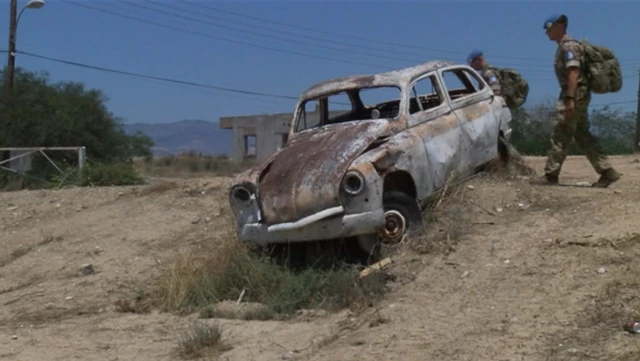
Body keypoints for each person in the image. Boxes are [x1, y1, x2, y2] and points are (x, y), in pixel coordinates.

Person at [534, 14, 620, 187]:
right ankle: (607, 172)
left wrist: (570, 99)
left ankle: (551, 175)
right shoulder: (566, 46)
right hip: (577, 93)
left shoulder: (569, 47)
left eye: (549, 28)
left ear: (559, 26)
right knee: (582, 134)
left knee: (561, 132)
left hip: (574, 93)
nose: (547, 33)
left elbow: (574, 72)